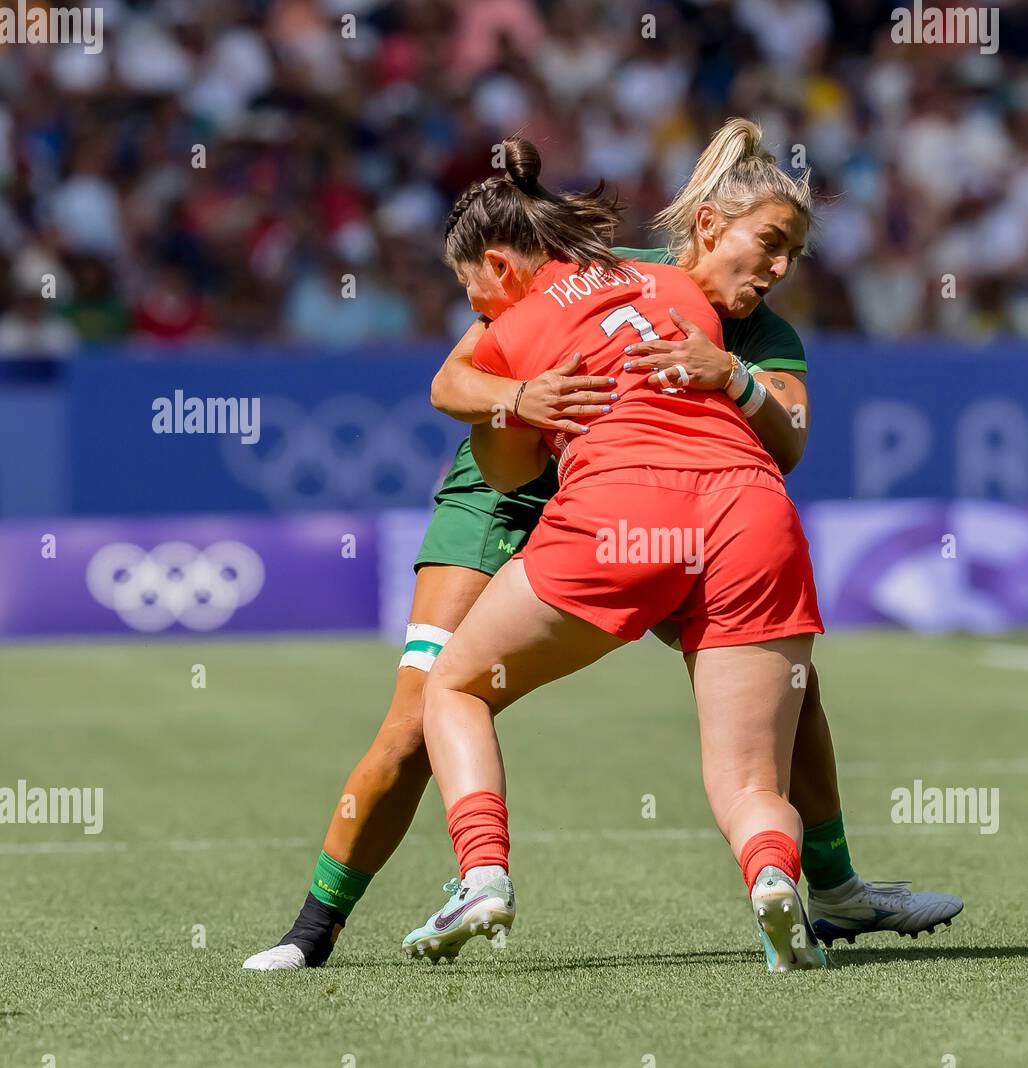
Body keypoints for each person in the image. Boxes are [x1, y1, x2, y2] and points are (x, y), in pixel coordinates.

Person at [244, 120, 961, 973]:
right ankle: (312, 932)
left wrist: (729, 375)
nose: (777, 273)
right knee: (412, 725)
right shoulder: (615, 275)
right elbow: (452, 379)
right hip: (506, 499)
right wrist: (521, 396)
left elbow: (791, 438)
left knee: (791, 690)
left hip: (635, 500)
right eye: (770, 247)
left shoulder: (763, 335)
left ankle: (834, 891)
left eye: (793, 259)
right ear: (708, 229)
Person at [402, 135, 828, 971]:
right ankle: (777, 882)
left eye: (470, 288)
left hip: (621, 513)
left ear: (499, 265)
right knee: (749, 782)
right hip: (751, 508)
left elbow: (473, 417)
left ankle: (482, 874)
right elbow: (786, 436)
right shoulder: (676, 287)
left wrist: (517, 403)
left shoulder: (513, 320)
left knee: (452, 686)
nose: (473, 304)